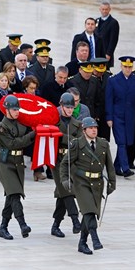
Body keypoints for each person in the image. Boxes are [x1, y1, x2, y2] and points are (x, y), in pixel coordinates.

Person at [60, 117, 116, 255]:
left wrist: (112, 183)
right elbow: (65, 164)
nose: (94, 130)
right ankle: (95, 239)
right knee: (89, 210)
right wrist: (65, 180)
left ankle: (82, 242)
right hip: (81, 182)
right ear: (84, 130)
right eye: (91, 128)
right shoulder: (77, 144)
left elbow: (109, 165)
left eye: (95, 128)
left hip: (97, 183)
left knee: (88, 213)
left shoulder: (103, 144)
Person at [0, 95, 36, 240]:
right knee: (15, 193)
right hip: (5, 163)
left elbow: (24, 139)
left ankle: (3, 227)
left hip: (17, 162)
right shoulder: (2, 127)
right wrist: (32, 134)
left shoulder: (20, 123)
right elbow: (13, 144)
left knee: (12, 195)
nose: (17, 112)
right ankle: (22, 224)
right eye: (14, 109)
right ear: (7, 110)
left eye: (18, 109)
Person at [105, 56, 135, 178]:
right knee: (121, 142)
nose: (128, 69)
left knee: (127, 142)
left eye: (130, 67)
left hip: (131, 117)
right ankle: (126, 168)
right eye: (125, 67)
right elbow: (109, 100)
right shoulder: (113, 80)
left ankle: (116, 166)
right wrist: (109, 118)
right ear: (121, 66)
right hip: (117, 117)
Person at [50, 93, 83, 237]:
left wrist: (63, 137)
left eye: (71, 107)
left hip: (71, 160)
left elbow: (79, 142)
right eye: (66, 107)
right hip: (57, 160)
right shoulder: (54, 121)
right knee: (67, 188)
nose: (69, 110)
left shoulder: (77, 124)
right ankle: (75, 220)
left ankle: (55, 225)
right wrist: (67, 138)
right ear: (61, 106)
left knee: (61, 193)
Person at [95, 2, 120, 68]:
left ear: (109, 10)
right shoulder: (97, 20)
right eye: (103, 9)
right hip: (96, 52)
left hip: (105, 52)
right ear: (100, 9)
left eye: (106, 9)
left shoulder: (113, 22)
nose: (104, 11)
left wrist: (109, 54)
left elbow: (113, 40)